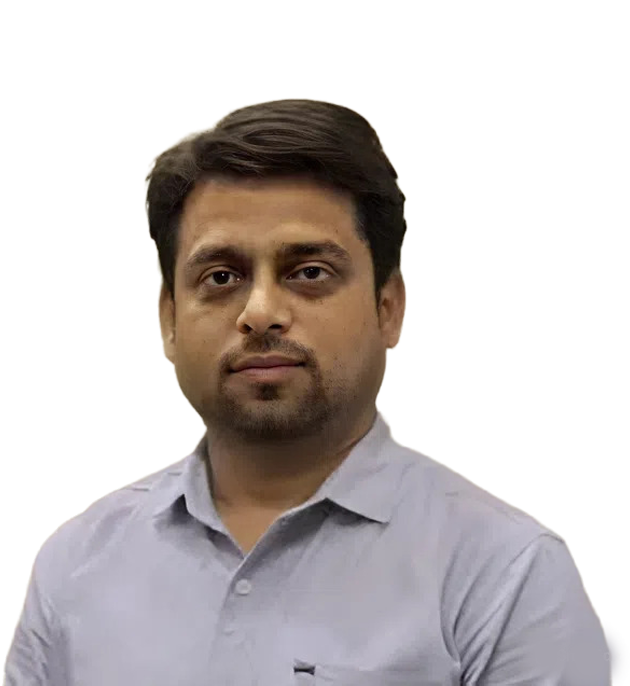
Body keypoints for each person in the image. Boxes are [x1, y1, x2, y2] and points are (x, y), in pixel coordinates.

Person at [4, 98, 612, 685]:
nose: (260, 312)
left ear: (388, 307)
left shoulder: (506, 577)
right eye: (221, 276)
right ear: (168, 319)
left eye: (309, 272)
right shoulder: (74, 569)